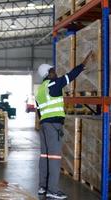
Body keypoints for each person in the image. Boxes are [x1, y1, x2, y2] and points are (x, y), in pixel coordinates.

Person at [35, 51, 93, 199]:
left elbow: (39, 111)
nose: (55, 72)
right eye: (53, 70)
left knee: (44, 156)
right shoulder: (53, 84)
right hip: (53, 125)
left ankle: (43, 187)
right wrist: (83, 64)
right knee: (54, 158)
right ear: (48, 73)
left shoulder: (40, 90)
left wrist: (45, 122)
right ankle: (53, 190)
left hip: (44, 126)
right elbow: (71, 75)